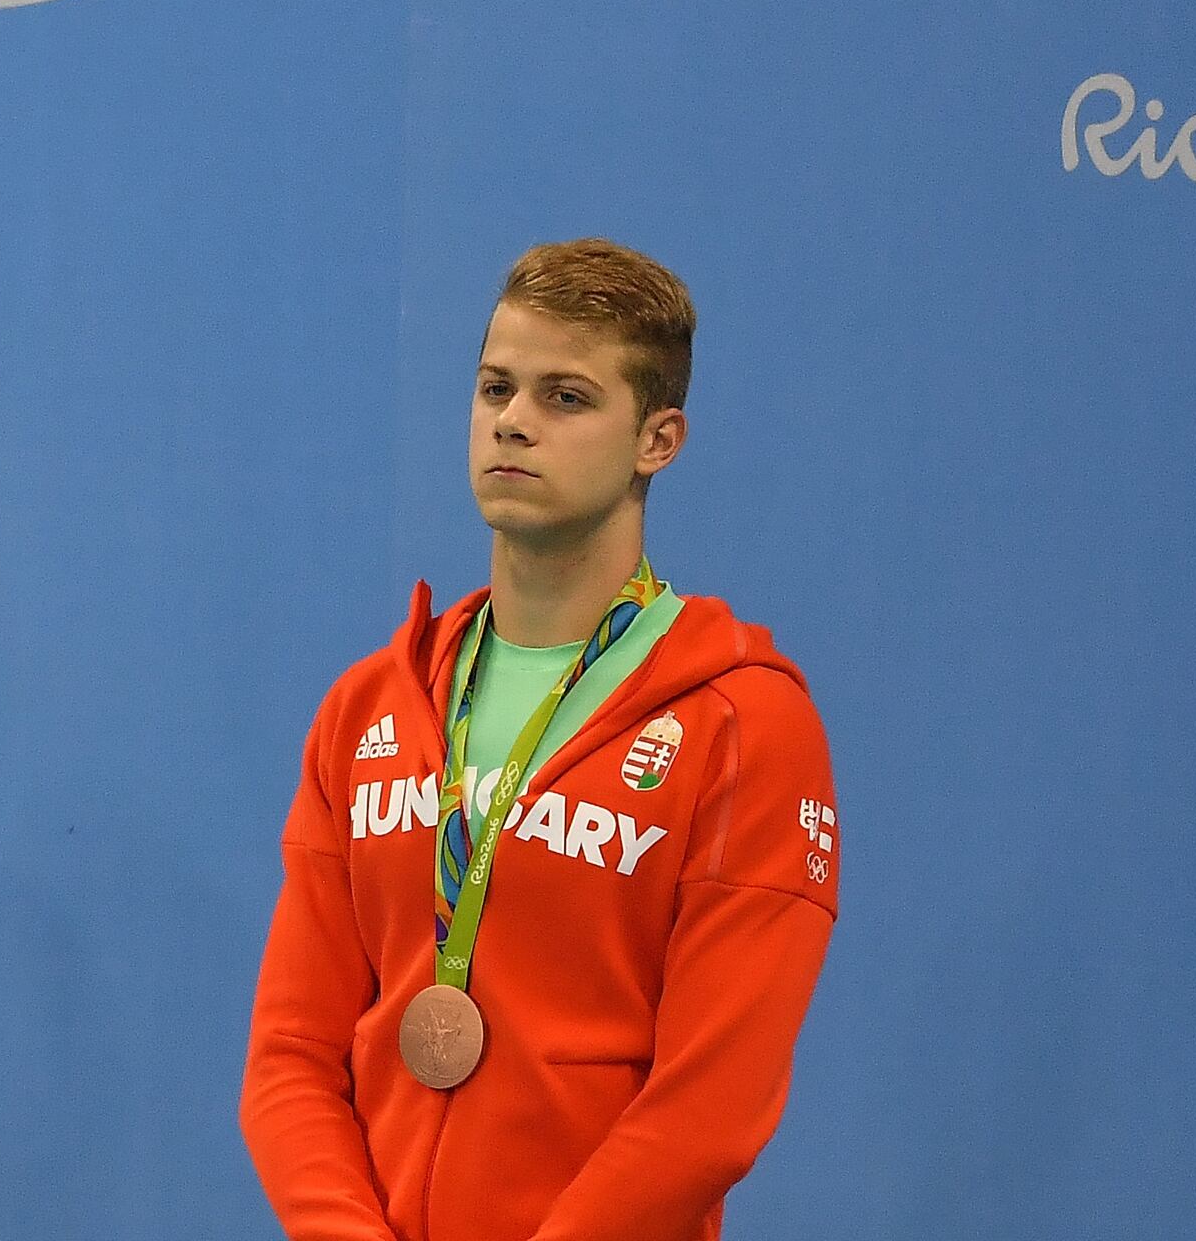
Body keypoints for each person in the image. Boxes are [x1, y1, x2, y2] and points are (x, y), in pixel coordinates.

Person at [241, 241, 837, 1241]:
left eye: (567, 397)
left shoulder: (742, 723)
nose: (513, 420)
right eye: (495, 388)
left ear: (660, 440)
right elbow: (291, 1059)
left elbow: (712, 1109)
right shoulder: (370, 709)